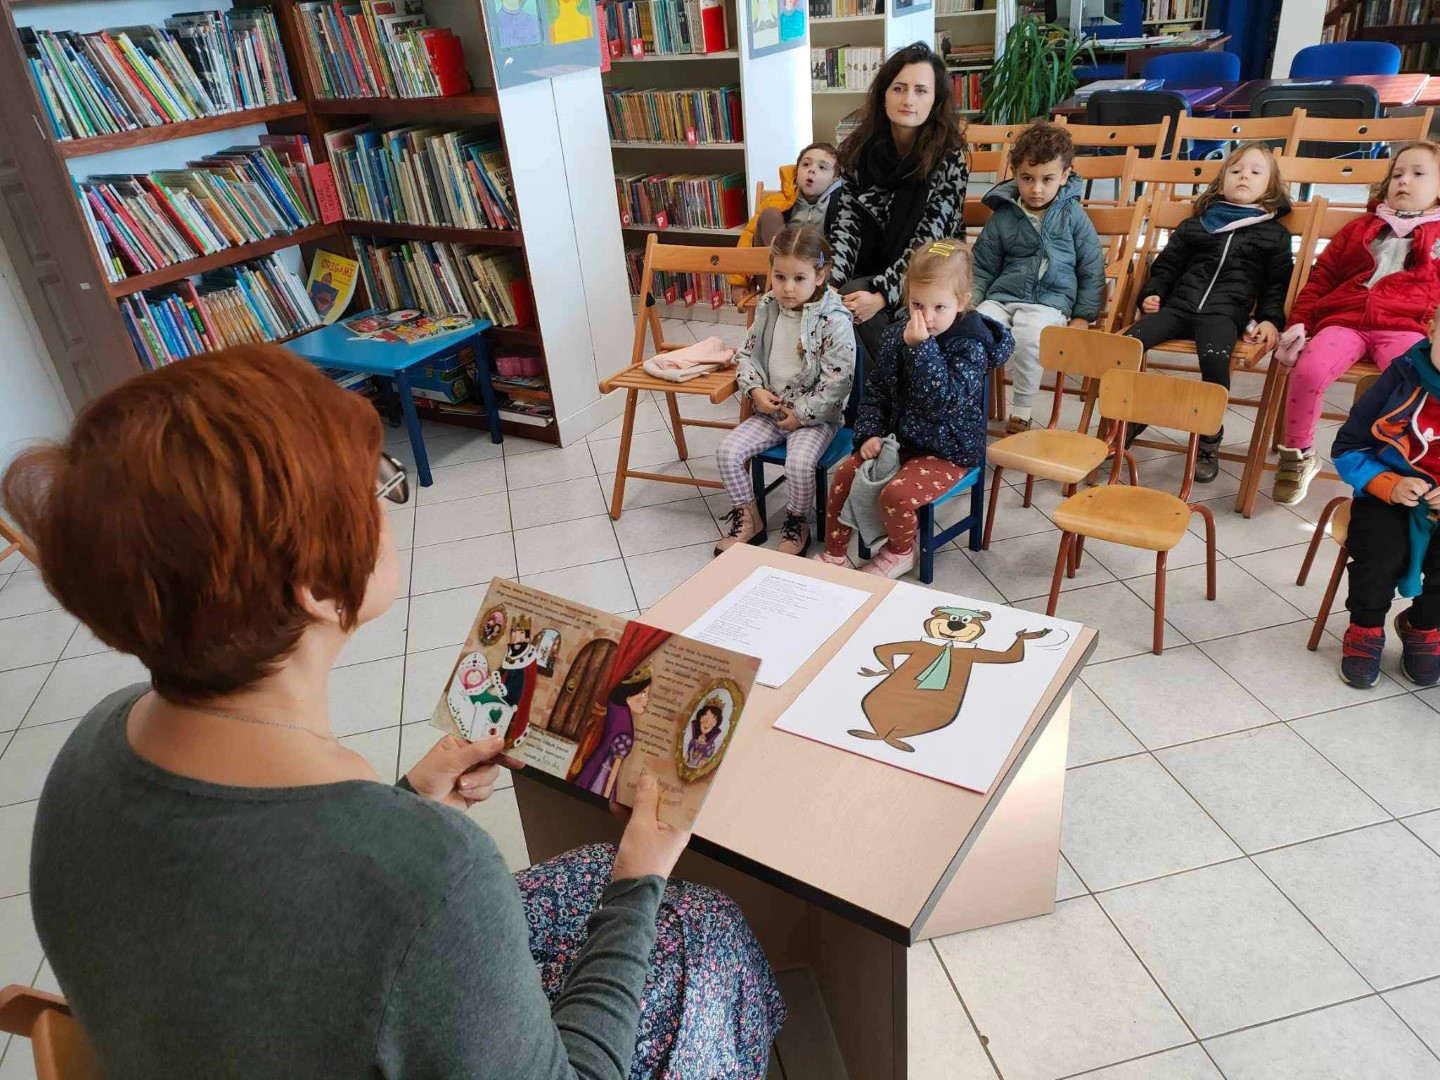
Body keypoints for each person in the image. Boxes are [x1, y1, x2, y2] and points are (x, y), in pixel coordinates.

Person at [4, 344, 784, 1079]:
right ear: (317, 585)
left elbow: (282, 912)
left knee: (617, 887)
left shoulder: (93, 745)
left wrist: (408, 803)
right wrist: (639, 877)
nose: (389, 506)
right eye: (377, 488)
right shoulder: (433, 876)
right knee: (706, 930)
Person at [814, 239, 1013, 578]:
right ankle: (834, 556)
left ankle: (901, 551)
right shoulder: (897, 335)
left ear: (961, 302)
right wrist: (870, 434)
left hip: (949, 450)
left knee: (897, 495)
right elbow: (877, 391)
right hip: (900, 440)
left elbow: (942, 402)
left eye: (939, 307)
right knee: (845, 474)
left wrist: (921, 350)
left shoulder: (971, 346)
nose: (927, 317)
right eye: (917, 304)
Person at [1273, 140, 1440, 505]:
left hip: (1406, 325)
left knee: (1414, 381)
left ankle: (1394, 462)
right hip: (1345, 321)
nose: (1404, 181)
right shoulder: (1359, 227)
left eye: (1418, 174)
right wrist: (1300, 321)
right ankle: (1298, 455)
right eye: (1397, 174)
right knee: (1309, 370)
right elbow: (1321, 278)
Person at [1125, 141, 1294, 482]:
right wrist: (1153, 293)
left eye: (1255, 172)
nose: (1244, 176)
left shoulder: (1274, 234)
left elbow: (1276, 285)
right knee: (1126, 346)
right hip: (1178, 307)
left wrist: (1270, 320)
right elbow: (1167, 266)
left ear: (1270, 187)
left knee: (1216, 360)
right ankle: (1131, 414)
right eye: (1236, 170)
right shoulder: (1197, 225)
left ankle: (1209, 435)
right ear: (1221, 182)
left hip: (1223, 314)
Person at [716, 224, 856, 556]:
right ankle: (748, 518)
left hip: (815, 419)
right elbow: (746, 355)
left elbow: (837, 383)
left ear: (820, 275)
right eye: (779, 277)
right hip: (771, 411)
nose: (787, 288)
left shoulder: (834, 320)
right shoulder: (768, 306)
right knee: (727, 451)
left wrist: (802, 415)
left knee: (799, 463)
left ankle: (797, 522)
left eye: (798, 278)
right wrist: (754, 391)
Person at [828, 42, 969, 359]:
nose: (908, 100)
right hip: (871, 266)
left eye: (921, 91)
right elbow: (846, 226)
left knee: (862, 307)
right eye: (899, 88)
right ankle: (896, 379)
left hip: (931, 274)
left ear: (935, 100)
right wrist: (831, 286)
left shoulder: (950, 157)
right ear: (884, 94)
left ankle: (904, 379)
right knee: (838, 302)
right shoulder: (858, 152)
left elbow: (930, 240)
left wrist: (881, 295)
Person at [971, 122, 1105, 436]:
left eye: (1047, 179)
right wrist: (971, 303)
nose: (1036, 189)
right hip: (1002, 297)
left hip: (1049, 302)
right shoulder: (1004, 216)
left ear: (1064, 176)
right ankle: (968, 403)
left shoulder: (1073, 216)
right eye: (1027, 178)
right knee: (974, 328)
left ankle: (1022, 411)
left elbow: (1091, 268)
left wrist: (1083, 316)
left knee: (1029, 336)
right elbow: (982, 266)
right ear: (1014, 172)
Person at [1331, 312, 1440, 689]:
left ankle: (1422, 626)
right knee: (1380, 553)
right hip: (1387, 495)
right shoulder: (1400, 377)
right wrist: (1387, 484)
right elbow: (1347, 448)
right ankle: (1365, 628)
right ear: (1431, 331)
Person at [728, 143, 842, 304]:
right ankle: (779, 293)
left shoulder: (842, 204)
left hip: (818, 281)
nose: (811, 170)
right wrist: (739, 281)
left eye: (822, 167)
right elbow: (748, 237)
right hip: (776, 280)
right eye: (806, 164)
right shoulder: (777, 200)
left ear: (835, 178)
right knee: (770, 215)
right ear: (797, 171)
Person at [573, 663, 649, 799]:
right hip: (601, 782)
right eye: (643, 693)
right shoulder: (625, 731)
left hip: (593, 772)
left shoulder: (616, 718)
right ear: (628, 697)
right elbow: (612, 774)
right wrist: (606, 796)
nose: (647, 699)